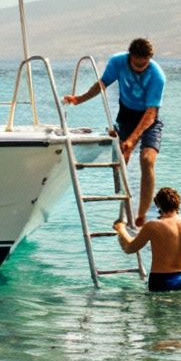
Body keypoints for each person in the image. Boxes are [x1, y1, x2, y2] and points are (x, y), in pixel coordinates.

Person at [64, 37, 165, 225]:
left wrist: (133, 140)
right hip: (127, 114)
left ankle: (142, 215)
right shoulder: (118, 62)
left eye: (145, 65)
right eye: (137, 64)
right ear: (130, 57)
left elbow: (151, 113)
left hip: (149, 117)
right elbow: (102, 84)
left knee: (147, 159)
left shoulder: (157, 75)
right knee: (121, 158)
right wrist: (80, 99)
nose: (140, 69)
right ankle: (122, 203)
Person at [114, 186, 181, 292]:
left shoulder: (152, 225)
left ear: (158, 205)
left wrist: (121, 229)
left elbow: (130, 248)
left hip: (160, 281)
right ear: (178, 204)